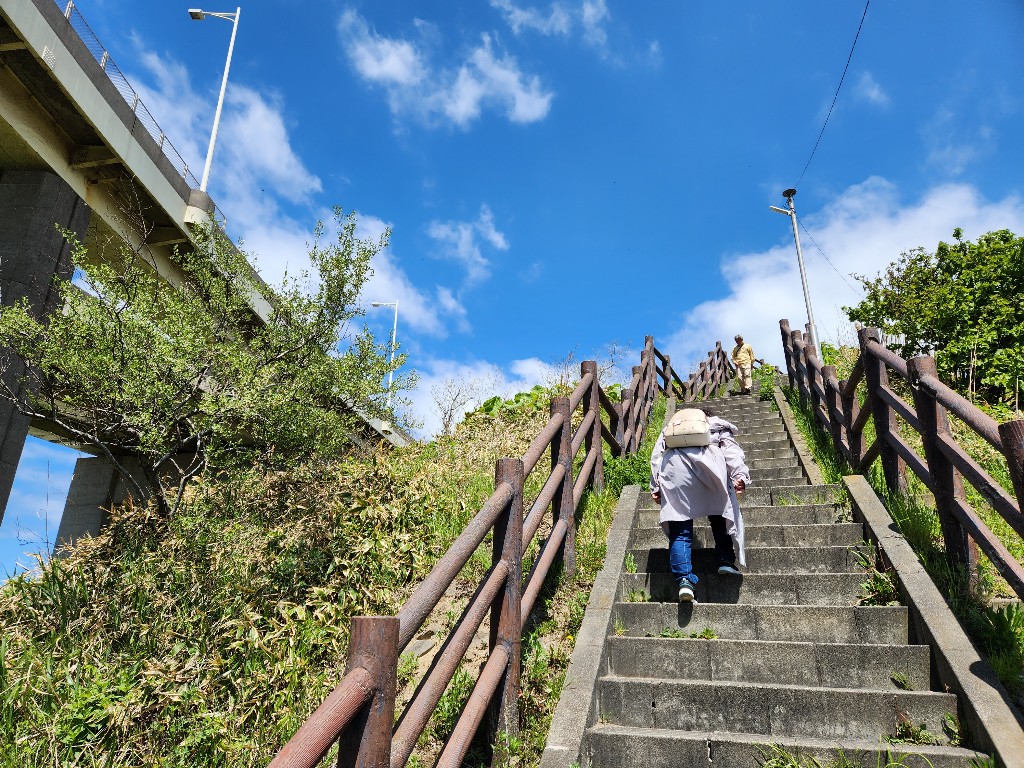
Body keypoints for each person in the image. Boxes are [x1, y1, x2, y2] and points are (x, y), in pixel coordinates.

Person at [649, 407, 751, 602]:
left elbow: (657, 457)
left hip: (675, 470)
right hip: (711, 467)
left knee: (680, 528)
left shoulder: (673, 428)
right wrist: (740, 475)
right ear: (708, 417)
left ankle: (684, 580)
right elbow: (732, 451)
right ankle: (725, 560)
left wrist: (655, 485)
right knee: (720, 515)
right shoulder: (717, 425)